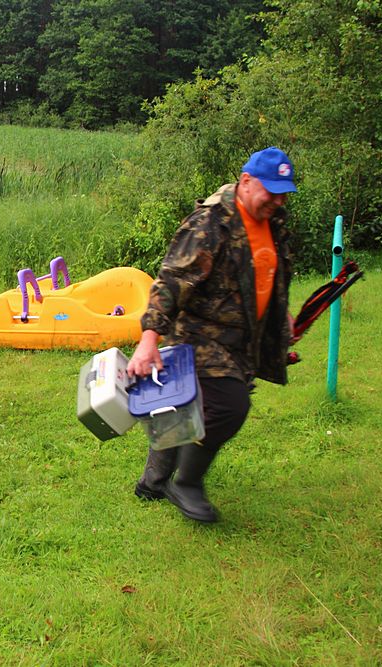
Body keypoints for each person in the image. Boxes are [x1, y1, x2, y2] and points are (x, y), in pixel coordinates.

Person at [127, 146, 301, 523]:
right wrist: (148, 339)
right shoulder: (210, 224)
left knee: (186, 405)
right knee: (228, 406)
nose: (277, 200)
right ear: (246, 182)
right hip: (199, 333)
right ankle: (187, 483)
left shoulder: (273, 221)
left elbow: (269, 270)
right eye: (271, 191)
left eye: (283, 193)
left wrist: (280, 312)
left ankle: (153, 482)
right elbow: (171, 280)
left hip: (243, 335)